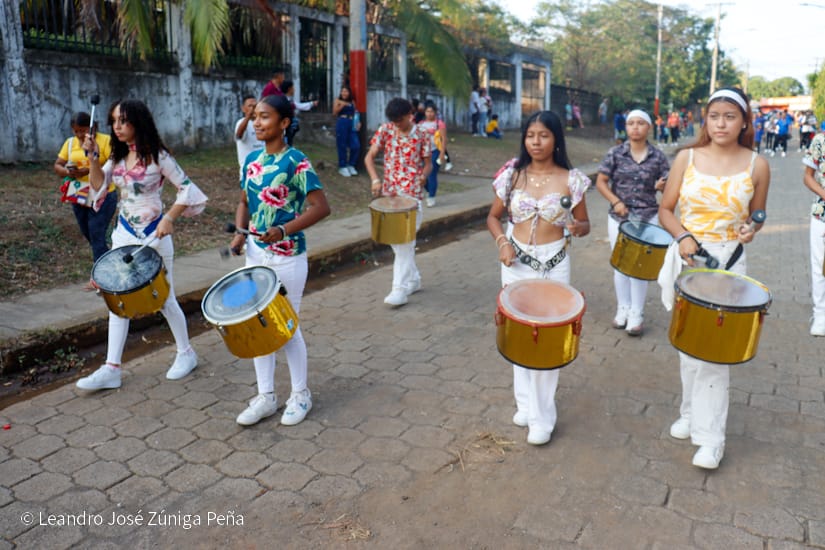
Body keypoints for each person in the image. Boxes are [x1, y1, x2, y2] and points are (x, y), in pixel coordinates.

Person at [658, 87, 770, 469]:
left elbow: (757, 215)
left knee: (714, 352)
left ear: (744, 122)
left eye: (730, 116)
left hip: (729, 262)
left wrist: (750, 231)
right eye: (714, 116)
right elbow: (666, 210)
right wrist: (684, 237)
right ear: (705, 120)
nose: (721, 123)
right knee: (688, 345)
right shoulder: (686, 158)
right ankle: (690, 413)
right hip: (689, 259)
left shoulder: (757, 164)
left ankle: (711, 439)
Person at [77, 99, 209, 391]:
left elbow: (187, 188)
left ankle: (186, 353)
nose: (117, 127)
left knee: (163, 298)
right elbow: (98, 188)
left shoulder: (158, 156)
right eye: (113, 122)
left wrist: (171, 217)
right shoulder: (117, 157)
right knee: (117, 299)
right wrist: (93, 158)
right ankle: (112, 368)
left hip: (154, 235)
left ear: (138, 121)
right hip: (124, 234)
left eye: (123, 121)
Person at [486, 110, 591, 446]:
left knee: (545, 339)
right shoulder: (511, 175)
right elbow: (492, 217)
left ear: (556, 138)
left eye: (544, 135)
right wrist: (502, 242)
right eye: (531, 135)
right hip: (515, 261)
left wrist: (577, 227)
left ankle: (543, 417)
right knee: (517, 332)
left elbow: (585, 224)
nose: (536, 142)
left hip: (554, 262)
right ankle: (525, 403)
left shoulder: (572, 179)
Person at [228, 94, 331, 426]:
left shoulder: (296, 161)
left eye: (265, 117)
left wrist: (284, 229)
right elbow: (244, 200)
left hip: (288, 258)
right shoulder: (252, 160)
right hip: (256, 255)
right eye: (255, 116)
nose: (257, 122)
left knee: (285, 327)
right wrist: (241, 233)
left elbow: (321, 207)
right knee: (256, 325)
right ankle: (266, 396)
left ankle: (301, 394)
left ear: (284, 123)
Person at [595, 109, 669, 336]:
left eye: (640, 123)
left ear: (649, 127)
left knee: (640, 266)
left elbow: (670, 182)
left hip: (647, 218)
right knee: (621, 265)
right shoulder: (616, 153)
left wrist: (663, 185)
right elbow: (601, 182)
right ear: (625, 127)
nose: (635, 127)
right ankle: (623, 308)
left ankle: (637, 313)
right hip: (620, 217)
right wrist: (615, 201)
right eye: (631, 123)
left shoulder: (658, 156)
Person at [364, 98, 432, 307]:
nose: (397, 124)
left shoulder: (422, 134)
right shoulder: (386, 130)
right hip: (390, 196)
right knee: (400, 244)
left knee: (404, 243)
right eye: (394, 121)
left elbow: (428, 164)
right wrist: (375, 179)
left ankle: (399, 290)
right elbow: (369, 158)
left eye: (400, 120)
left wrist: (423, 176)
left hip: (411, 195)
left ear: (410, 114)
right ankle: (413, 280)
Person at [54, 111, 117, 290]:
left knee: (96, 231)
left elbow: (111, 165)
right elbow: (57, 165)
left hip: (103, 193)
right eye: (76, 131)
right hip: (79, 193)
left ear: (93, 128)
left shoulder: (105, 141)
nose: (80, 135)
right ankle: (110, 261)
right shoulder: (70, 143)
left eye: (83, 131)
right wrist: (69, 172)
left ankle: (101, 277)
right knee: (87, 231)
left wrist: (90, 168)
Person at [802, 125, 825, 335]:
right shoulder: (820, 140)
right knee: (820, 266)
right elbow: (808, 176)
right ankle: (820, 316)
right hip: (822, 214)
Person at [418, 101, 446, 207]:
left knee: (432, 173)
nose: (429, 113)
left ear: (435, 112)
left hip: (435, 151)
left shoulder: (439, 124)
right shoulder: (421, 124)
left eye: (431, 111)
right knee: (422, 174)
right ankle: (429, 190)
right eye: (427, 111)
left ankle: (431, 196)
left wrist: (442, 153)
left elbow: (443, 139)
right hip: (423, 152)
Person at [332, 85, 361, 177]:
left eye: (346, 91)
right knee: (342, 144)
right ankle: (342, 166)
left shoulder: (352, 102)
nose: (344, 93)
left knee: (355, 145)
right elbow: (334, 113)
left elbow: (356, 112)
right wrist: (342, 105)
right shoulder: (337, 100)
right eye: (342, 91)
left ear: (349, 93)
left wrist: (358, 122)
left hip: (352, 123)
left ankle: (351, 164)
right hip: (342, 122)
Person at [280, 80, 318, 147]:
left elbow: (298, 105)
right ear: (289, 89)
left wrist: (311, 104)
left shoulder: (289, 100)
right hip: (285, 129)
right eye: (293, 87)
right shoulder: (283, 100)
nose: (294, 89)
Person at [235, 93, 264, 179]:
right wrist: (248, 116)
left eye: (255, 106)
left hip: (263, 168)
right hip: (248, 171)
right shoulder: (242, 123)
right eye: (249, 106)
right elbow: (239, 135)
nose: (253, 108)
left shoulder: (262, 122)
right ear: (243, 109)